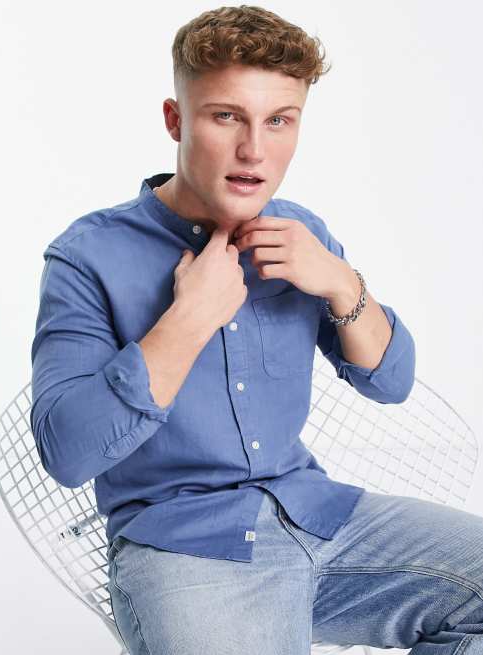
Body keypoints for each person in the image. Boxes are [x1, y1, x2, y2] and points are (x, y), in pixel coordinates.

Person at [29, 5, 483, 654]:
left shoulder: (301, 233)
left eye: (278, 121)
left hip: (317, 515)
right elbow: (68, 453)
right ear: (175, 119)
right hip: (187, 547)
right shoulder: (86, 255)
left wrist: (341, 282)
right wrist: (188, 319)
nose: (254, 150)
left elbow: (390, 383)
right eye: (226, 117)